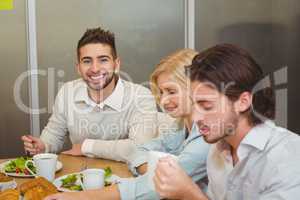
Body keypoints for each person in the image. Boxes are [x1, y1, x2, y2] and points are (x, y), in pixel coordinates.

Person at [45, 48, 210, 200]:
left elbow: (155, 187)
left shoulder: (206, 137)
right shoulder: (181, 127)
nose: (164, 100)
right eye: (161, 92)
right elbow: (138, 151)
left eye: (171, 91)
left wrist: (83, 197)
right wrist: (151, 171)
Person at [153, 44, 300, 200]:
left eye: (206, 105)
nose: (196, 118)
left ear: (243, 102)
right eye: (194, 104)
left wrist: (189, 194)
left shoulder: (289, 157)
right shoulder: (217, 151)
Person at [21, 27, 158, 162]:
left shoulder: (141, 97)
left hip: (125, 178)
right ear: (78, 68)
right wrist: (43, 146)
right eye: (87, 61)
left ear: (116, 65)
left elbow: (140, 148)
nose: (95, 69)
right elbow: (54, 134)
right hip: (79, 175)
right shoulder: (67, 92)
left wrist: (85, 147)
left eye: (103, 60)